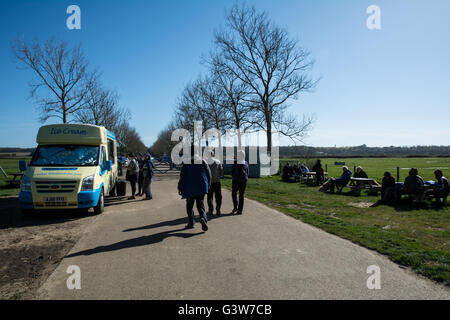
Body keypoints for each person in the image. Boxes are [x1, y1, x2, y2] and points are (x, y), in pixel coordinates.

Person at [177, 146, 211, 231]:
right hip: (201, 186)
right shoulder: (203, 161)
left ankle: (191, 222)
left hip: (190, 187)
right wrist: (208, 184)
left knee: (189, 206)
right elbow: (208, 173)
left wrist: (180, 187)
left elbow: (182, 176)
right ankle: (203, 218)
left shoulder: (186, 163)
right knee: (200, 204)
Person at [231, 150, 249, 215]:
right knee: (241, 195)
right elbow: (247, 172)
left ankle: (235, 207)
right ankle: (240, 210)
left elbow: (232, 171)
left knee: (234, 194)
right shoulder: (246, 162)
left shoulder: (235, 162)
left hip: (236, 180)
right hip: (244, 180)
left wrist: (233, 176)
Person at [207, 152, 224, 216]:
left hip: (209, 182)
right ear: (213, 155)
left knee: (209, 197)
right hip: (217, 181)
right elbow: (221, 171)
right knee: (218, 196)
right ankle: (218, 208)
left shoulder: (206, 162)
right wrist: (219, 176)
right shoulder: (218, 161)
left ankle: (210, 210)